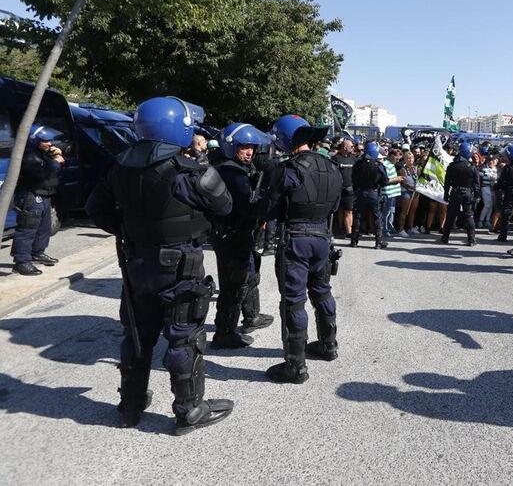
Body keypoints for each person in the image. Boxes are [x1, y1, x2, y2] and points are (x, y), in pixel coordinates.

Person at [85, 96, 234, 434]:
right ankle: (189, 411)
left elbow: (95, 208)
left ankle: (131, 405)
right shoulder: (190, 172)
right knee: (184, 337)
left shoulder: (119, 167)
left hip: (137, 263)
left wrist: (127, 231)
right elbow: (225, 207)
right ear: (179, 128)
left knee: (137, 334)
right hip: (180, 265)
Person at [259, 118, 343, 384]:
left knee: (293, 299)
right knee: (322, 290)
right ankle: (328, 346)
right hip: (322, 237)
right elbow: (335, 205)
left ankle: (295, 367)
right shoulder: (332, 166)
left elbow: (269, 209)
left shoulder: (287, 169)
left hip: (295, 237)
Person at [210, 123, 275, 350]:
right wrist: (269, 201)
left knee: (248, 275)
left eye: (252, 147)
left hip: (238, 234)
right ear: (231, 146)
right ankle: (225, 333)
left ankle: (250, 317)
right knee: (233, 285)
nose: (249, 152)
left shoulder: (230, 166)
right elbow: (249, 206)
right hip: (233, 235)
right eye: (244, 147)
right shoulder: (232, 172)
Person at [10, 125, 65, 276]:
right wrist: (56, 162)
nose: (50, 143)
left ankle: (37, 253)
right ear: (34, 141)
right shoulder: (29, 157)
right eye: (45, 141)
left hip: (45, 195)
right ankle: (21, 261)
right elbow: (40, 175)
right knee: (28, 229)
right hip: (32, 196)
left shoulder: (43, 154)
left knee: (44, 228)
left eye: (50, 140)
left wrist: (57, 155)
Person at [441, 142, 481, 246]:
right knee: (468, 216)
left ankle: (445, 237)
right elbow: (477, 184)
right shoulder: (472, 167)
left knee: (450, 216)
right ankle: (471, 240)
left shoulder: (452, 166)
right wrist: (477, 196)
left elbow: (447, 182)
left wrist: (446, 194)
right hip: (467, 193)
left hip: (455, 192)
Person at [351, 142, 390, 248]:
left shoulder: (358, 164)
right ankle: (378, 242)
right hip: (373, 193)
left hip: (361, 192)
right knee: (377, 217)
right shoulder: (378, 165)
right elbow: (385, 181)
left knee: (358, 216)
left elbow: (353, 179)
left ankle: (354, 241)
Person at [332, 139, 357, 238]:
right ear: (345, 147)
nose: (353, 148)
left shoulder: (354, 159)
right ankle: (338, 228)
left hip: (349, 190)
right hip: (337, 190)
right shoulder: (335, 159)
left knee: (349, 211)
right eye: (351, 146)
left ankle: (349, 232)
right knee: (337, 210)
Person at [478, 155, 497, 229]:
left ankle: (487, 220)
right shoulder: (483, 169)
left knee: (491, 205)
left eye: (492, 160)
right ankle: (480, 220)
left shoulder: (496, 169)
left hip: (493, 189)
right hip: (485, 187)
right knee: (487, 204)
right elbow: (481, 178)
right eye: (489, 160)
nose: (491, 162)